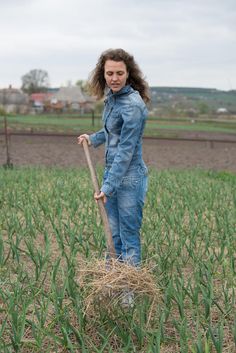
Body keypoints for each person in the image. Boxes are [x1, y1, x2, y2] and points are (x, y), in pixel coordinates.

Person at [78, 48, 150, 267]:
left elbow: (126, 152)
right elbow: (112, 132)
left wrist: (107, 186)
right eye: (110, 73)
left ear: (128, 74)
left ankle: (128, 289)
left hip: (128, 177)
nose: (114, 78)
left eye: (119, 73)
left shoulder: (133, 106)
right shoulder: (113, 98)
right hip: (113, 173)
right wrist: (92, 138)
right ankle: (112, 280)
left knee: (128, 235)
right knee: (113, 233)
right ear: (104, 74)